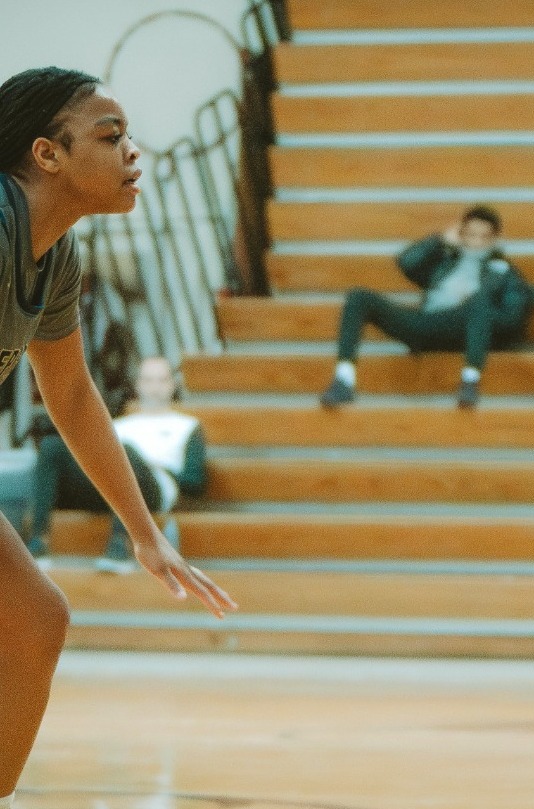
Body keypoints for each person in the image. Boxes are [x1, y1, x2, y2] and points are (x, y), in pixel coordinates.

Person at [0, 66, 236, 809]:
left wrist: (143, 531)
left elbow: (68, 391)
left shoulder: (55, 254)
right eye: (111, 135)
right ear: (48, 155)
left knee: (36, 618)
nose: (134, 152)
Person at [318, 205, 532, 409]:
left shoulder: (505, 273)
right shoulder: (445, 260)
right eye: (471, 234)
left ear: (494, 239)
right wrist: (439, 241)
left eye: (484, 237)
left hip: (461, 328)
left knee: (479, 304)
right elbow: (406, 262)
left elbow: (513, 319)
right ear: (461, 234)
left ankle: (469, 381)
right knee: (358, 297)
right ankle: (344, 380)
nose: (476, 242)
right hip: (425, 322)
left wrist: (480, 312)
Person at [27, 356, 205, 573]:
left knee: (126, 454)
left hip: (154, 490)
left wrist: (152, 466)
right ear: (138, 385)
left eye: (161, 380)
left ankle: (121, 546)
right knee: (51, 446)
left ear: (172, 385)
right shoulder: (117, 425)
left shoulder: (187, 426)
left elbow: (195, 482)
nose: (155, 387)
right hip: (109, 488)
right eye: (148, 380)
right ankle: (38, 542)